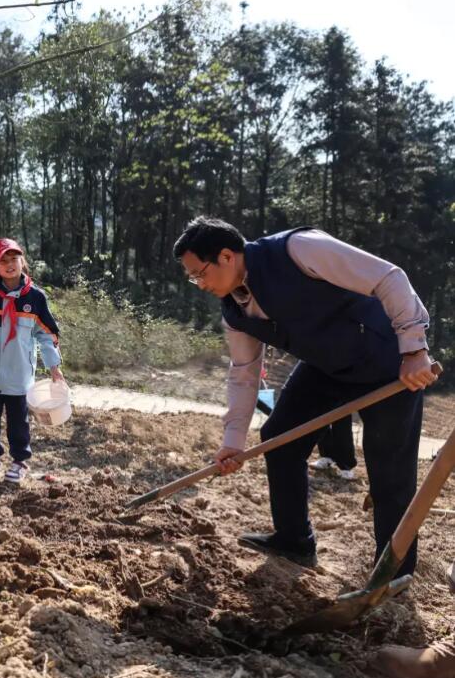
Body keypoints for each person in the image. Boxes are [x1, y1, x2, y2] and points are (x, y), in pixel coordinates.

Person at [174, 217, 436, 575]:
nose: (199, 284)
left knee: (389, 471)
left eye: (199, 273)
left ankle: (393, 572)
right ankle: (294, 540)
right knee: (278, 438)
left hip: (386, 361)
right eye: (192, 277)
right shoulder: (235, 311)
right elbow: (244, 374)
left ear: (226, 256)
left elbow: (389, 277)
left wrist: (413, 349)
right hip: (326, 367)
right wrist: (233, 440)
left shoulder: (299, 249)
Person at [0, 238, 63, 484]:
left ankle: (20, 461)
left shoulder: (36, 298)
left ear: (23, 262)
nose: (10, 265)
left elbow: (47, 335)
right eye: (3, 261)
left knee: (18, 421)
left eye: (14, 259)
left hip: (20, 373)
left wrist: (54, 367)